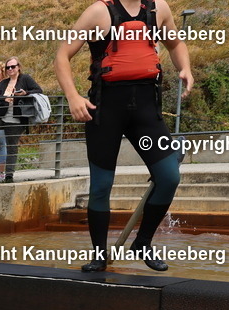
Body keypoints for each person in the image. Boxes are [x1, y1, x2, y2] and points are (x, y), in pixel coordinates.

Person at [55, 0, 193, 272]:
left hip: (146, 108)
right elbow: (62, 55)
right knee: (101, 187)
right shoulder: (98, 12)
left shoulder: (159, 9)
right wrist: (73, 96)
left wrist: (185, 68)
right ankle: (98, 254)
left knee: (169, 177)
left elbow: (176, 44)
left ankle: (142, 242)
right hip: (105, 108)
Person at [0, 58, 43, 183]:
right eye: (8, 67)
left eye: (12, 67)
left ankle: (9, 175)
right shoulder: (4, 83)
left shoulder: (25, 79)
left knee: (11, 146)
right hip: (1, 117)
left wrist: (25, 93)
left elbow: (38, 91)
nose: (10, 69)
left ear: (18, 67)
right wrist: (5, 98)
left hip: (16, 118)